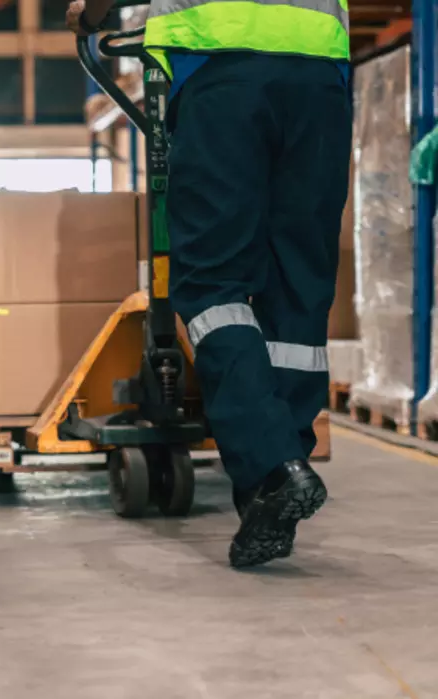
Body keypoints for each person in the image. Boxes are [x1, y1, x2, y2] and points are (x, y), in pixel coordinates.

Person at [67, 0, 351, 567]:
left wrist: (89, 14)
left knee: (212, 286)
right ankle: (274, 482)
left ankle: (275, 468)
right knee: (298, 285)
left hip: (223, 72)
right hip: (320, 75)